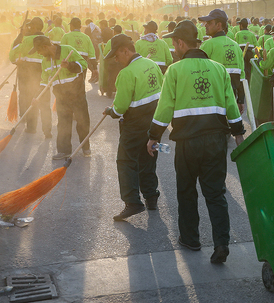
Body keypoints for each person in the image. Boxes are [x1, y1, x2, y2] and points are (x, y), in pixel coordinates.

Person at [147, 20, 245, 264]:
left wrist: (153, 136)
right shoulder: (218, 69)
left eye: (173, 43)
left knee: (187, 191)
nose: (173, 48)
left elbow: (165, 107)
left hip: (188, 144)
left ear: (181, 43)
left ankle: (191, 239)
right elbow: (231, 104)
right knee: (216, 193)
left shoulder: (175, 70)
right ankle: (222, 242)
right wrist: (238, 132)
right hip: (215, 141)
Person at [103, 34, 163, 220]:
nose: (116, 59)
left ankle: (132, 202)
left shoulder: (127, 73)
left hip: (135, 124)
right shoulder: (151, 64)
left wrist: (110, 111)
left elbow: (120, 107)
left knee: (126, 160)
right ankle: (151, 197)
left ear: (125, 50)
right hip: (153, 123)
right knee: (148, 158)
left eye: (117, 55)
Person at [31, 35, 91, 159]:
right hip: (61, 97)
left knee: (82, 122)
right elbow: (44, 81)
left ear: (45, 47)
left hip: (77, 94)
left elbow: (84, 64)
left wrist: (69, 65)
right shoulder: (45, 61)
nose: (39, 53)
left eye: (39, 50)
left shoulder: (67, 50)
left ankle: (85, 147)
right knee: (63, 124)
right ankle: (64, 151)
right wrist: (37, 96)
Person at [9, 17, 52, 137]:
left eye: (30, 26)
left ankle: (27, 122)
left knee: (26, 96)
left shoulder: (26, 40)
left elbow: (12, 53)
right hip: (43, 73)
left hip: (26, 72)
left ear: (34, 27)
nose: (28, 28)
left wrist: (15, 61)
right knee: (42, 99)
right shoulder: (47, 39)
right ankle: (47, 130)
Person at [198, 9, 245, 112]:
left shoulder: (207, 45)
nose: (205, 25)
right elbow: (241, 77)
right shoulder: (236, 46)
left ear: (218, 25)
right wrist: (241, 100)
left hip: (212, 100)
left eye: (209, 23)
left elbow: (198, 73)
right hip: (231, 100)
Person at [61, 17, 96, 82]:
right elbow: (92, 55)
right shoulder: (86, 37)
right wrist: (95, 68)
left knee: (70, 83)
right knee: (81, 82)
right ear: (80, 26)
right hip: (82, 64)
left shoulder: (66, 36)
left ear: (71, 26)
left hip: (69, 64)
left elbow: (61, 51)